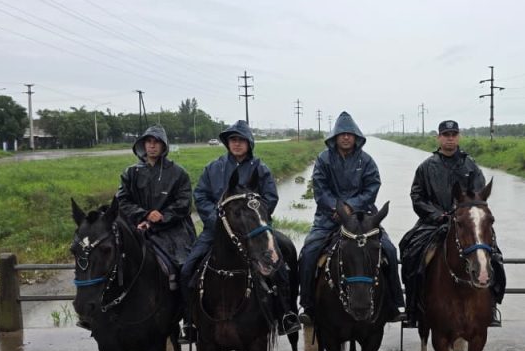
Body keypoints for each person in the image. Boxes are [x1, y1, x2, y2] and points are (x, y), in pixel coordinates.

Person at [180, 120, 300, 337]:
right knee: (188, 268)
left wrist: (255, 219)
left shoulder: (260, 168)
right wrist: (217, 220)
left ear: (249, 143)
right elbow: (200, 196)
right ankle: (190, 322)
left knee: (280, 266)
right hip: (217, 230)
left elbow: (270, 197)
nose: (236, 144)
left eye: (241, 140)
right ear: (227, 143)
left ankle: (286, 314)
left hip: (254, 231)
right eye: (233, 140)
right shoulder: (213, 168)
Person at [298, 111, 405, 321]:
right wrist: (337, 209)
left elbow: (372, 187)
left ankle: (394, 304)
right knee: (309, 252)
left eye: (350, 134)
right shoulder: (323, 159)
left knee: (390, 251)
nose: (346, 137)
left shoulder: (366, 161)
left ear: (356, 137)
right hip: (328, 219)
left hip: (363, 219)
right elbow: (320, 190)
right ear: (335, 137)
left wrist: (351, 207)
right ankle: (307, 305)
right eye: (342, 134)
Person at [399, 119, 505, 328]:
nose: (450, 139)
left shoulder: (470, 166)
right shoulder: (426, 167)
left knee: (495, 257)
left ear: (458, 137)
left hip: (465, 223)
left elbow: (478, 197)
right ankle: (413, 308)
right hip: (433, 222)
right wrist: (437, 215)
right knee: (410, 251)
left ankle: (490, 307)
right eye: (446, 135)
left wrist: (462, 214)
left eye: (453, 135)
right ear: (438, 138)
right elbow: (417, 197)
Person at [115, 123, 196, 309]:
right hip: (138, 227)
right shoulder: (130, 173)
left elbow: (184, 203)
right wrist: (143, 216)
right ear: (142, 145)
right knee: (111, 261)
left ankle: (188, 315)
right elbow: (122, 201)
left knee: (186, 267)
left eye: (156, 142)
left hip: (173, 231)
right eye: (148, 142)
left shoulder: (178, 173)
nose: (152, 146)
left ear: (164, 146)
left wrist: (163, 216)